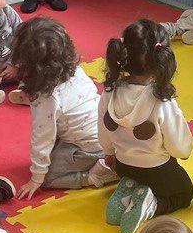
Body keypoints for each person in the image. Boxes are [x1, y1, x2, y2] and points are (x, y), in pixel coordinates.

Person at [99, 19, 193, 233]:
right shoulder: (161, 100)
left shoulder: (110, 91)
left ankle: (129, 189)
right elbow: (181, 148)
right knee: (184, 193)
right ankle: (151, 205)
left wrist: (109, 152)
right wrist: (182, 151)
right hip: (157, 170)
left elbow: (103, 130)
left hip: (123, 165)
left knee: (134, 174)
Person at [9, 17, 117, 198]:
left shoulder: (46, 100)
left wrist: (37, 178)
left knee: (49, 178)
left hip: (92, 149)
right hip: (110, 137)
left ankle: (97, 175)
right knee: (56, 142)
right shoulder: (76, 70)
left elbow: (42, 140)